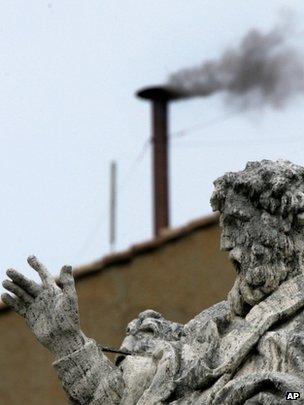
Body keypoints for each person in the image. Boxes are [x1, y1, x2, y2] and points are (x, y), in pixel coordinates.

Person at [3, 159, 304, 404]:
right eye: (224, 228)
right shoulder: (209, 327)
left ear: (285, 224)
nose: (225, 243)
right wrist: (67, 341)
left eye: (238, 224)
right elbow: (119, 397)